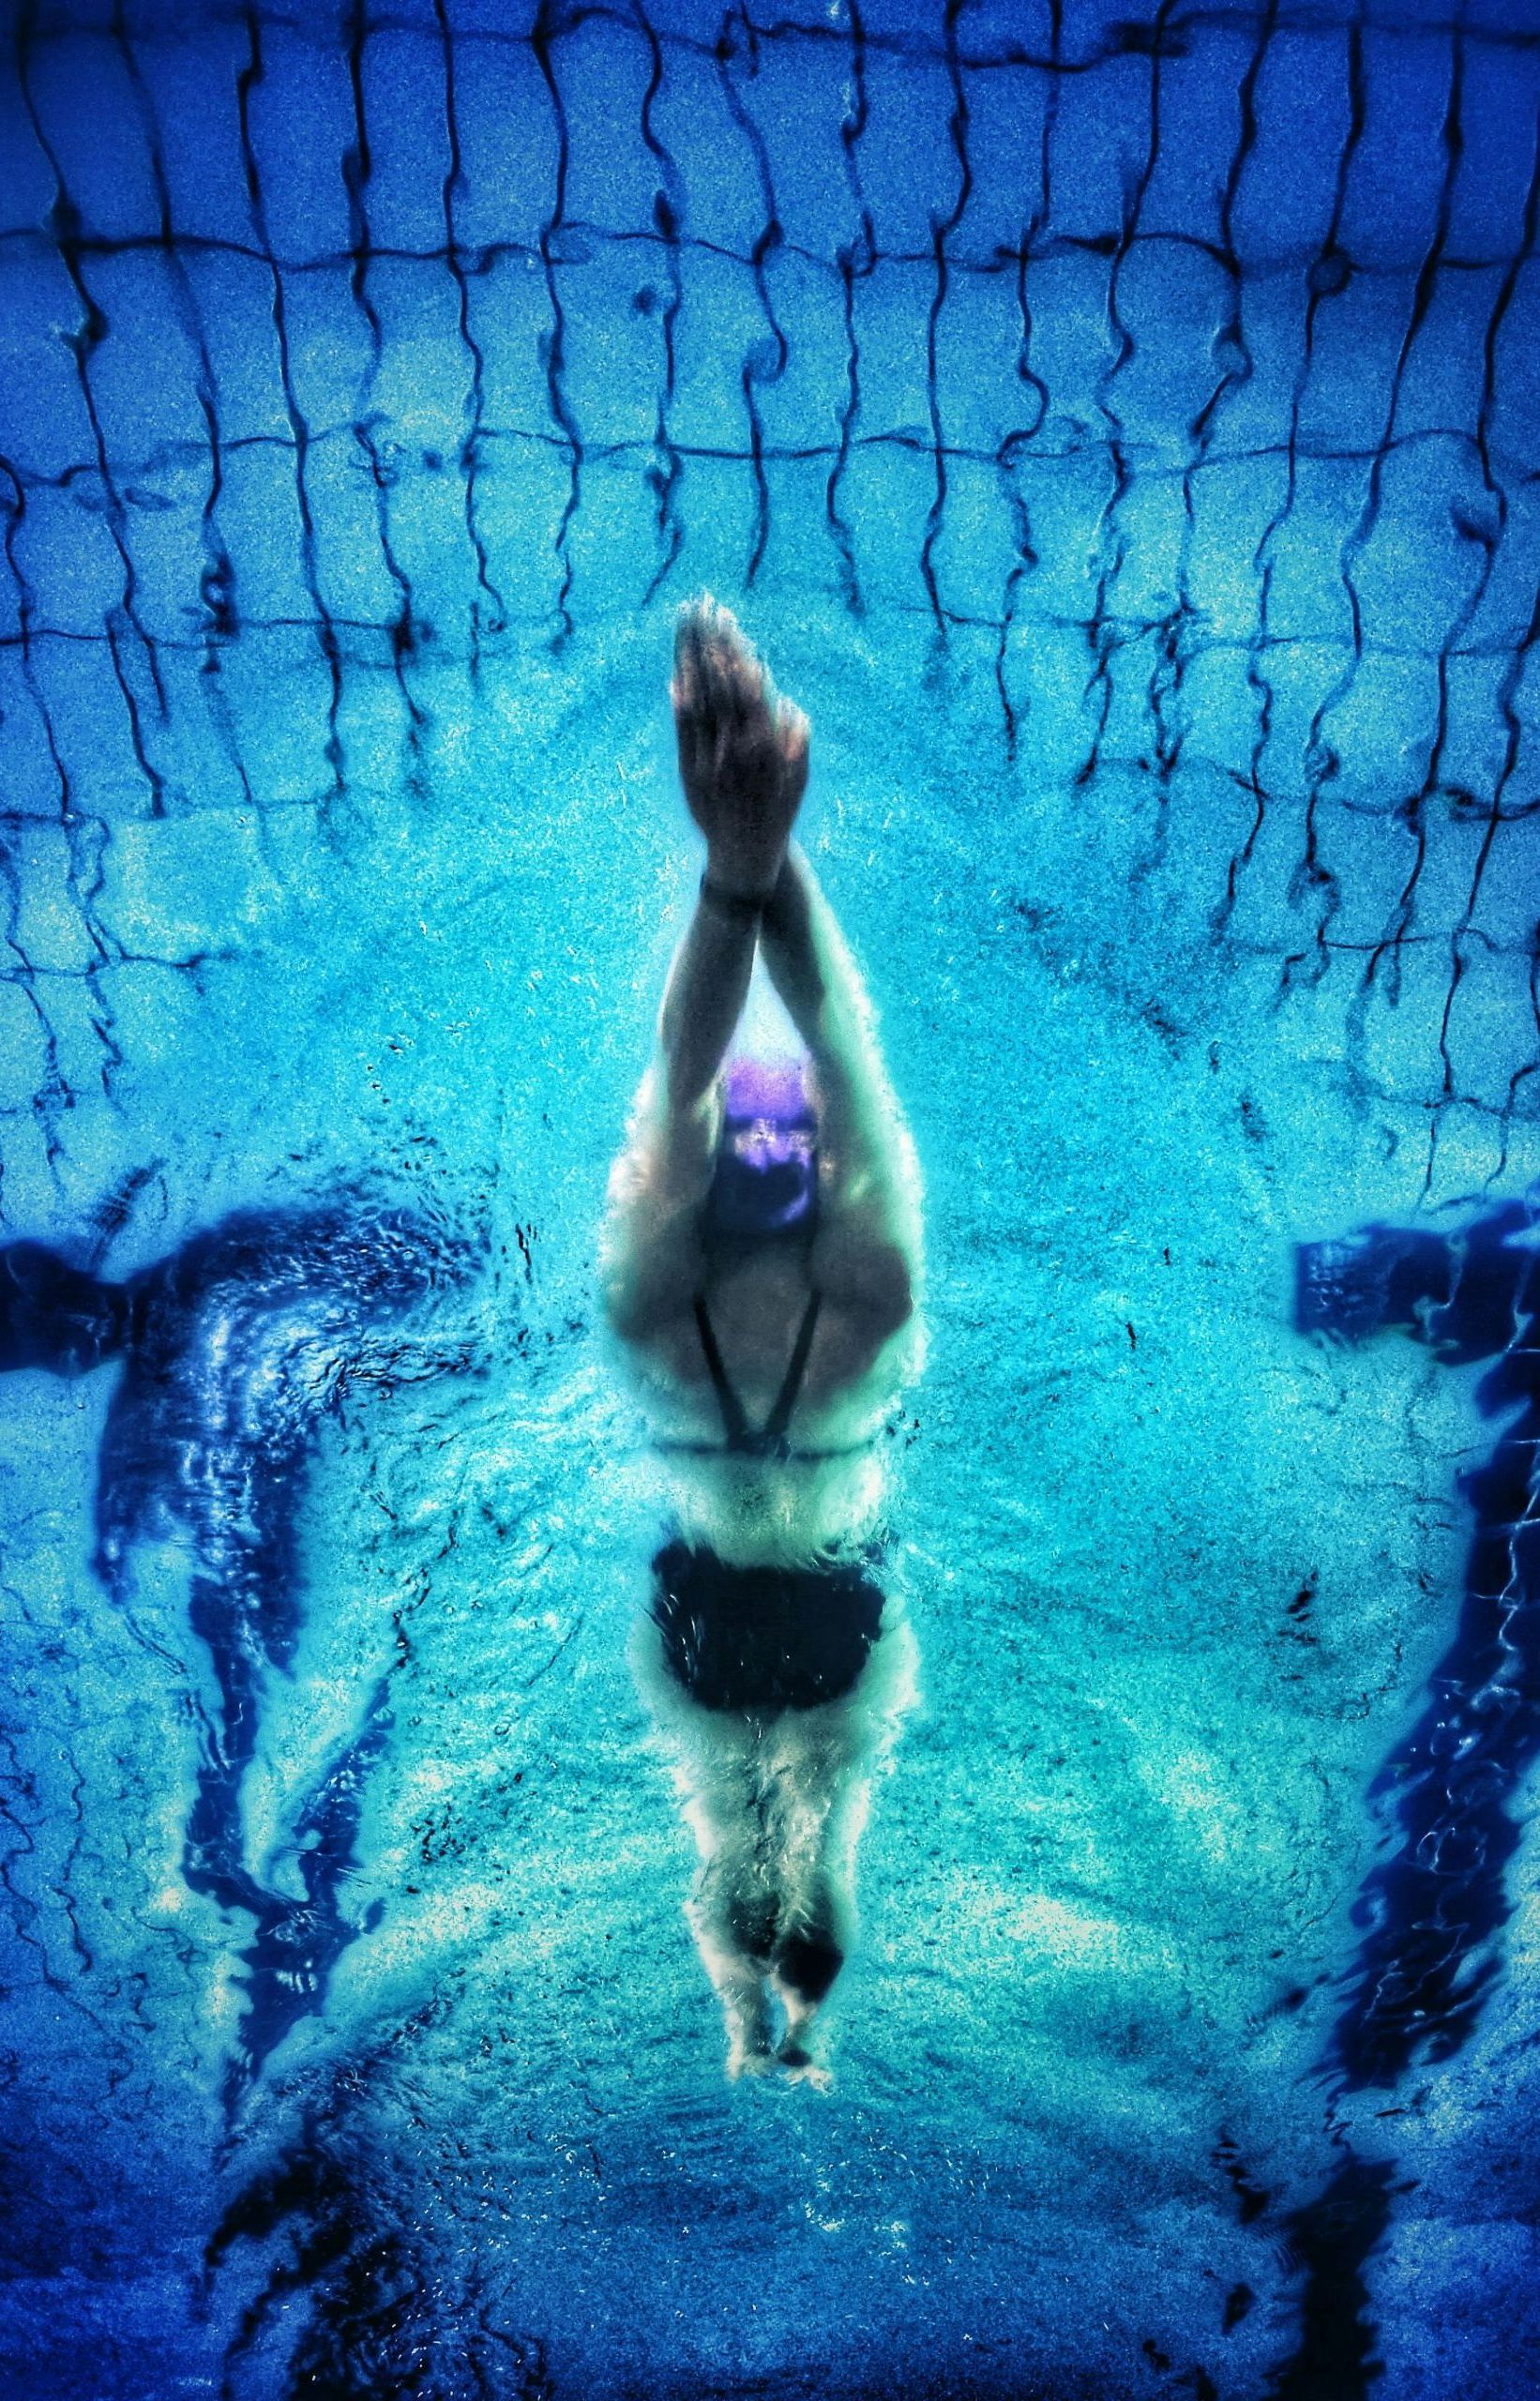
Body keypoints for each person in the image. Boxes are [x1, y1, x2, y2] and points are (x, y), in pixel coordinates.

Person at [601, 598, 925, 2084]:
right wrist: (767, 866)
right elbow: (844, 1036)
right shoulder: (867, 1306)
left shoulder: (652, 1314)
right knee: (825, 1833)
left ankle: (742, 2025)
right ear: (819, 1182)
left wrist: (728, 880)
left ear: (714, 1177)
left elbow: (678, 1082)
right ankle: (808, 2023)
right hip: (837, 1604)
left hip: (702, 1614)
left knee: (723, 1825)